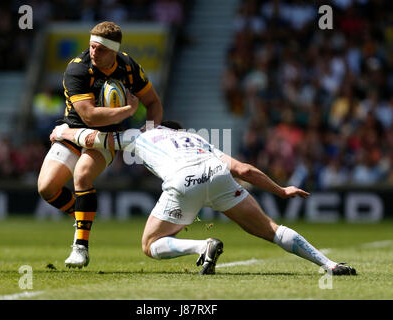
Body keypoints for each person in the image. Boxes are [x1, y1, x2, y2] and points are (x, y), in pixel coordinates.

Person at [49, 121, 357, 276]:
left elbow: (93, 139)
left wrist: (64, 131)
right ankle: (329, 264)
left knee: (149, 244)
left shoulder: (140, 135)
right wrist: (281, 190)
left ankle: (202, 246)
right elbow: (243, 169)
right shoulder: (197, 139)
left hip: (183, 181)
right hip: (216, 173)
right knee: (270, 229)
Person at [37, 21, 163, 268]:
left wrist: (149, 132)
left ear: (114, 51)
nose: (93, 52)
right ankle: (83, 215)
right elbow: (89, 116)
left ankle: (80, 248)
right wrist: (128, 111)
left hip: (105, 138)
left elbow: (154, 103)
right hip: (73, 131)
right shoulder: (77, 69)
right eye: (91, 46)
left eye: (101, 49)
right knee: (46, 188)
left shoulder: (128, 68)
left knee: (82, 175)